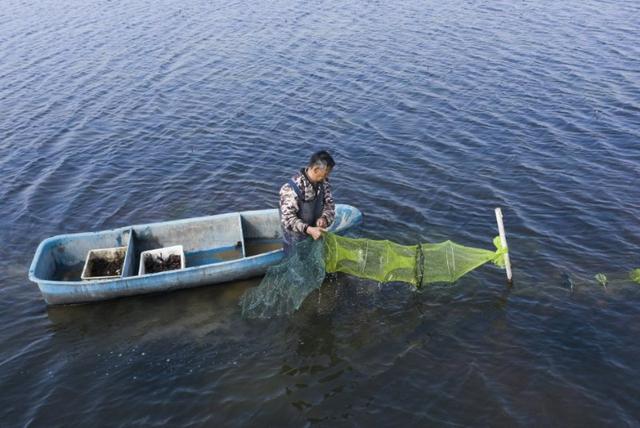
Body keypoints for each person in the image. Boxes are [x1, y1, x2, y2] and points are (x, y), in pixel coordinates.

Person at [279, 150, 336, 255]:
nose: (327, 176)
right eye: (326, 173)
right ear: (315, 169)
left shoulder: (324, 183)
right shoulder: (290, 189)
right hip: (295, 240)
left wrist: (324, 218)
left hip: (316, 233)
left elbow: (330, 205)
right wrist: (309, 230)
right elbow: (288, 220)